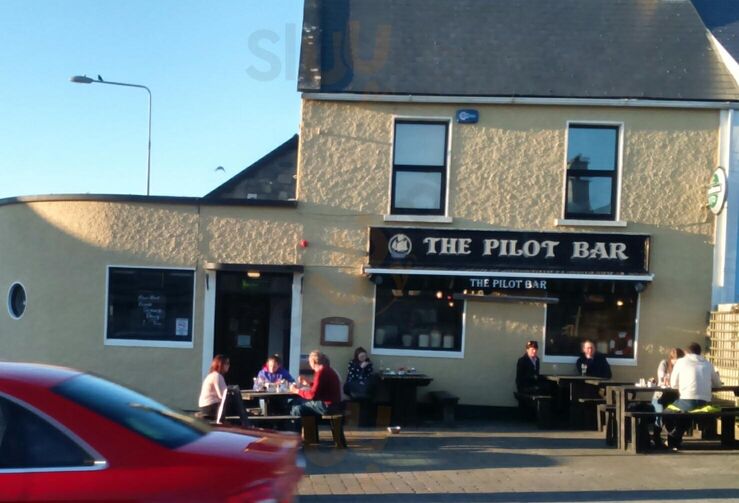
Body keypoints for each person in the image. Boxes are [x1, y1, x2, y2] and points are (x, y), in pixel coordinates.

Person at [664, 342, 721, 450]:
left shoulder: (681, 362)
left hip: (687, 401)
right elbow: (718, 384)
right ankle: (675, 439)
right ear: (700, 352)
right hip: (705, 404)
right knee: (687, 412)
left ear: (686, 352)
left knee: (666, 412)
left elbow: (673, 384)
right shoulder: (708, 364)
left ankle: (673, 438)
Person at [290, 350, 342, 419]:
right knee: (300, 403)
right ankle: (310, 425)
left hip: (326, 406)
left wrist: (296, 391)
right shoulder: (329, 370)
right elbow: (321, 388)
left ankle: (294, 426)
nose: (309, 364)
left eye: (309, 362)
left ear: (313, 362)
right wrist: (309, 383)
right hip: (334, 405)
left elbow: (312, 395)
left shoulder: (320, 372)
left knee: (296, 407)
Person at [650, 347, 685, 446]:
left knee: (676, 415)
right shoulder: (664, 363)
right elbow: (661, 377)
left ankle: (673, 440)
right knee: (660, 414)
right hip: (660, 397)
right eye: (675, 359)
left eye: (679, 360)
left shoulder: (683, 367)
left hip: (674, 397)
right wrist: (666, 379)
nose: (677, 362)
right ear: (671, 358)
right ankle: (656, 437)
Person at [198, 354, 230, 419]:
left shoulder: (211, 375)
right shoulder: (217, 376)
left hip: (205, 406)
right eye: (227, 363)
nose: (228, 366)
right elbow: (223, 395)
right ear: (220, 364)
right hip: (211, 406)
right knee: (237, 405)